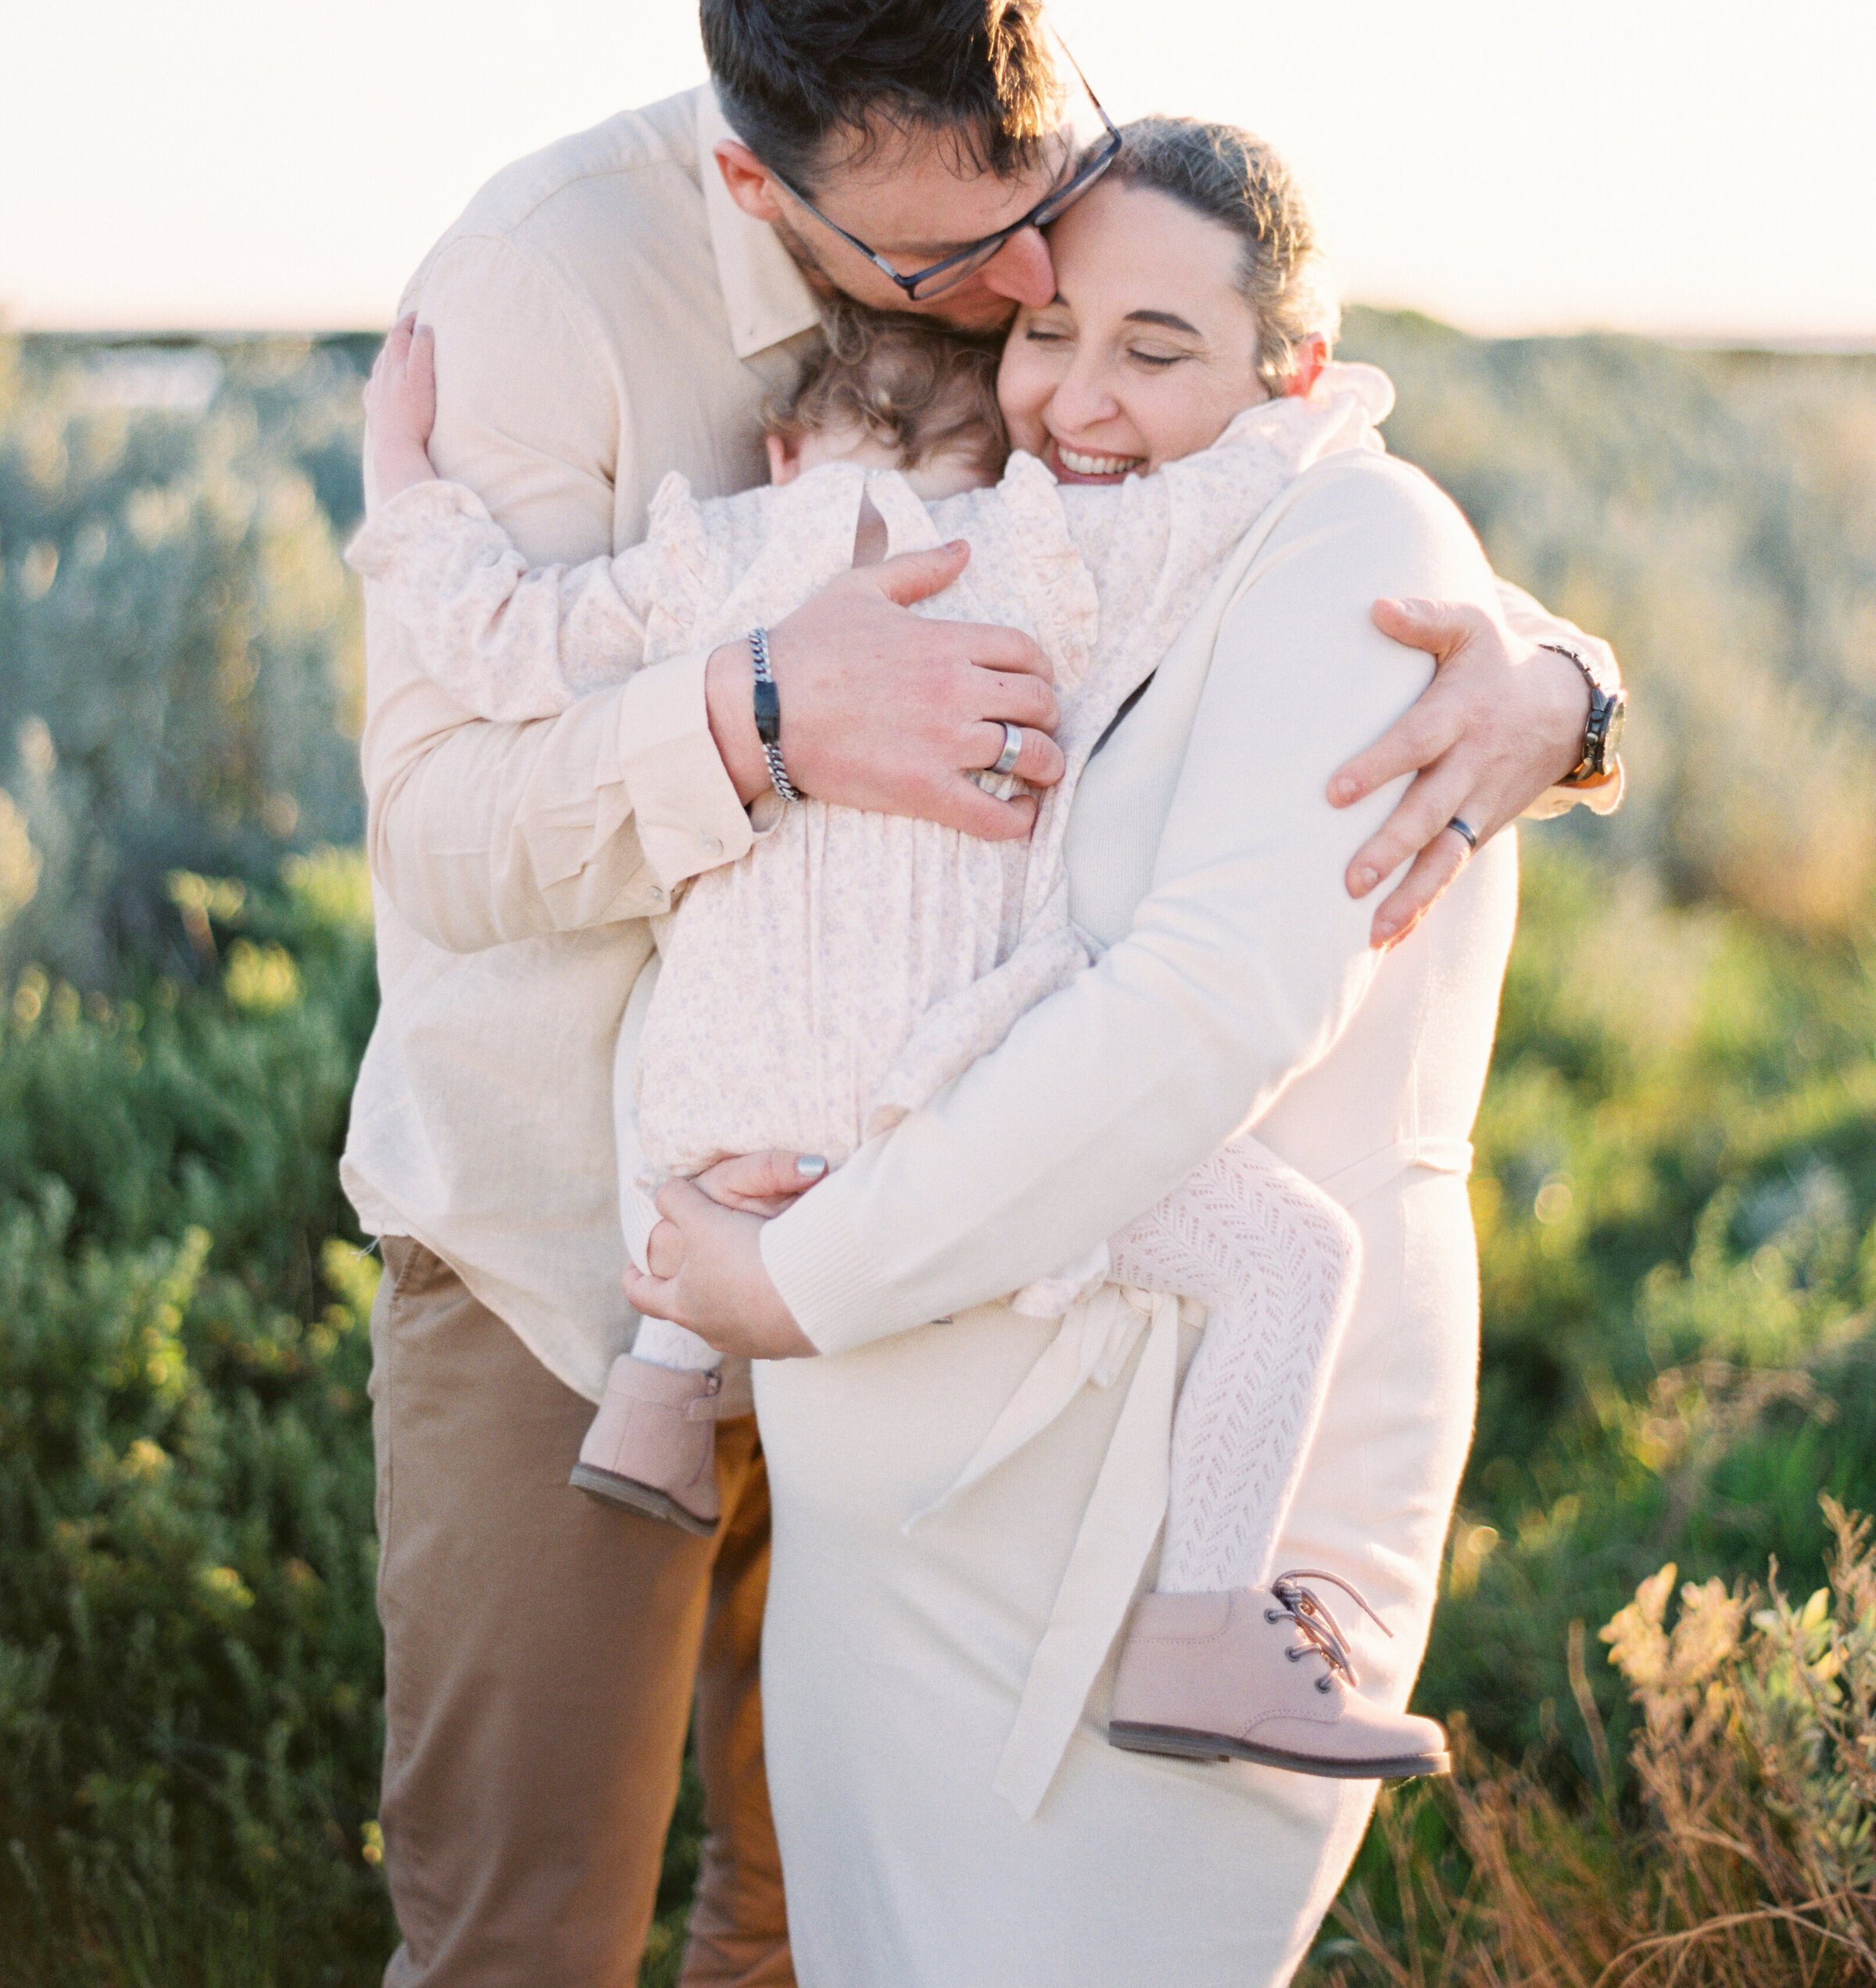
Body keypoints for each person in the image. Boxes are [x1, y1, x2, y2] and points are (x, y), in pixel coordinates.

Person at [345, 0, 1623, 1987]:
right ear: (764, 190)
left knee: (802, 1915)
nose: (1027, 277)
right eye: (962, 255)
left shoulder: (1048, 205)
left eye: (1047, 198)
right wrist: (765, 713)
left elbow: (1268, 453)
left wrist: (1556, 673)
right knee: (523, 1929)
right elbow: (445, 831)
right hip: (586, 1250)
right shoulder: (541, 292)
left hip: (919, 1255)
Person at [350, 129, 1445, 1789]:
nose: (1074, 402)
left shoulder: (728, 549)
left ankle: (665, 1387)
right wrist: (1385, 475)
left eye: (1134, 349)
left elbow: (509, 630)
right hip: (927, 1112)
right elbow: (1301, 490)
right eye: (1038, 339)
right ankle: (1209, 1623)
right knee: (1290, 1262)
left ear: (778, 450)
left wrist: (399, 496)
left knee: (776, 1880)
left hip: (707, 1142)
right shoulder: (1063, 551)